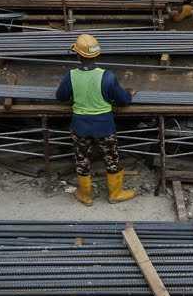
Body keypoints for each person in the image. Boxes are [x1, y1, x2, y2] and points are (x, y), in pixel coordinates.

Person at [54, 34, 136, 206]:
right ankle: (115, 193)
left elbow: (60, 97)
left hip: (80, 127)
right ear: (97, 54)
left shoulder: (71, 76)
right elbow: (123, 100)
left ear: (78, 55)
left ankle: (85, 195)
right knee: (111, 159)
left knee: (82, 159)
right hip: (104, 126)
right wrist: (129, 94)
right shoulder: (107, 76)